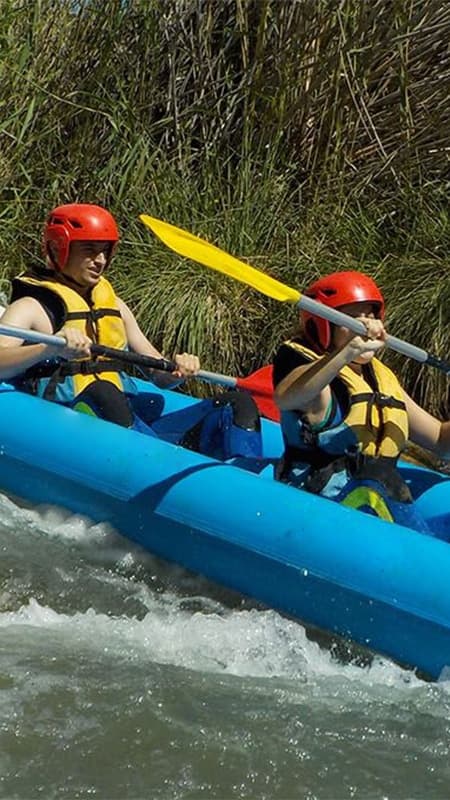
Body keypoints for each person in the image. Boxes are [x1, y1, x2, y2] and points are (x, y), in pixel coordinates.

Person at [272, 270, 450, 531]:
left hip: (371, 500)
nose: (366, 325)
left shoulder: (381, 379)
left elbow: (439, 440)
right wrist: (348, 352)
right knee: (381, 476)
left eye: (370, 315)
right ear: (324, 324)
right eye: (354, 317)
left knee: (381, 477)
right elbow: (286, 398)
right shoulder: (316, 377)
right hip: (319, 501)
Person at [0, 203, 200, 429]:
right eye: (89, 250)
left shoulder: (117, 307)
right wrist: (49, 348)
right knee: (103, 394)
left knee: (234, 405)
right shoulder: (30, 307)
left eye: (105, 250)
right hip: (65, 415)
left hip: (119, 413)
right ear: (58, 249)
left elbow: (158, 374)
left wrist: (177, 370)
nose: (101, 260)